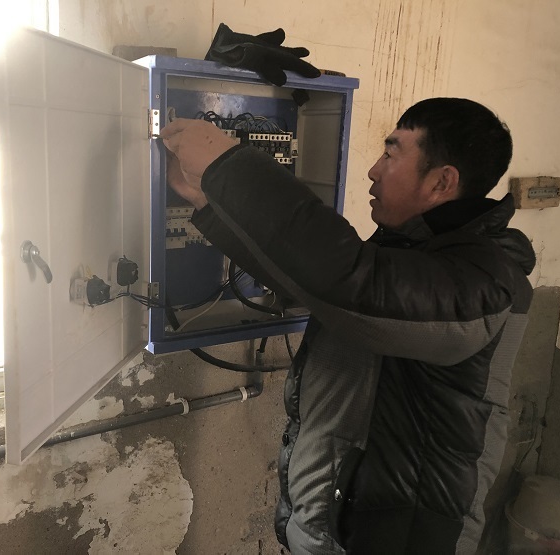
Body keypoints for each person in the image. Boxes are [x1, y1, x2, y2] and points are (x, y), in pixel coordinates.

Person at [161, 98, 535, 554]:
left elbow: (351, 281)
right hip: (337, 523)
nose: (373, 171)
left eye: (391, 154)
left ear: (442, 181)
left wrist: (229, 166)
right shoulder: (412, 253)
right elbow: (315, 283)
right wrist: (209, 202)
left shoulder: (485, 280)